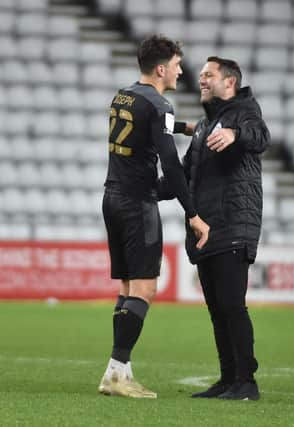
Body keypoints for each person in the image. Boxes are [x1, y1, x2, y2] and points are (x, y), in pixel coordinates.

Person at [97, 35, 210, 399]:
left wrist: (180, 126)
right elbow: (171, 164)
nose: (181, 70)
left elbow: (144, 125)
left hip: (112, 197)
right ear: (161, 68)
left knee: (128, 287)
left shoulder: (123, 95)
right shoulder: (160, 103)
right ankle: (116, 371)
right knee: (145, 287)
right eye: (177, 64)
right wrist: (192, 213)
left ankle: (120, 372)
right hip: (137, 203)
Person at [160, 56, 270, 401]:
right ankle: (228, 379)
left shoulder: (243, 113)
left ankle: (246, 382)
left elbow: (260, 136)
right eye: (202, 75)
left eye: (209, 75)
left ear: (230, 82)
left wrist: (235, 134)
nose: (202, 80)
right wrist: (141, 189)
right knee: (218, 308)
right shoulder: (208, 126)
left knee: (232, 305)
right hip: (207, 227)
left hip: (235, 223)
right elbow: (182, 176)